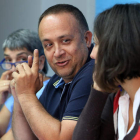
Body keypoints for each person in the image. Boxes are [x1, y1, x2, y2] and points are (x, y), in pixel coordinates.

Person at [11, 4, 94, 140]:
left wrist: (26, 95)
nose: (57, 53)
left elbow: (63, 138)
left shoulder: (93, 71)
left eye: (65, 41)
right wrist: (19, 97)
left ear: (86, 39)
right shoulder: (57, 80)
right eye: (48, 45)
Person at [72, 3, 140, 140]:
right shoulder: (118, 97)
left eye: (97, 44)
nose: (93, 54)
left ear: (120, 46)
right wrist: (98, 89)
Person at [0, 29, 50, 140]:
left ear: (40, 62)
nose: (13, 68)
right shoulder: (15, 93)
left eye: (22, 59)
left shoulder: (49, 89)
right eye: (8, 60)